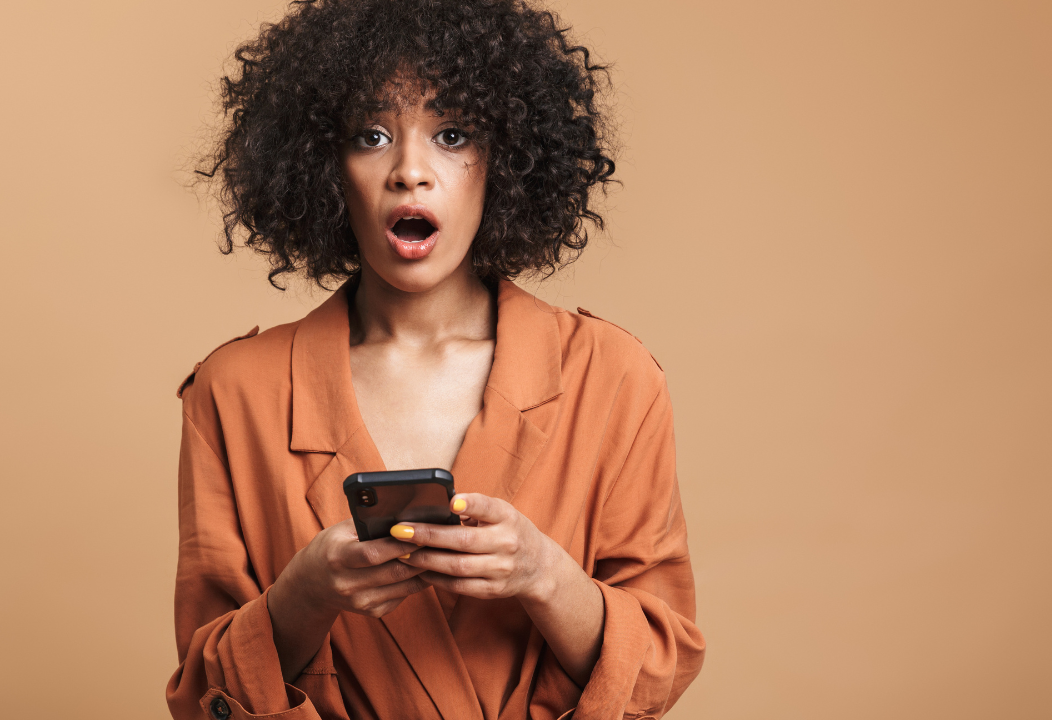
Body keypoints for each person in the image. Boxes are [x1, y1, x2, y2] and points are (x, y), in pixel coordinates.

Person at [167, 0, 705, 717]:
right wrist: (306, 594)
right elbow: (205, 695)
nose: (410, 171)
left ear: (508, 160)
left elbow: (658, 672)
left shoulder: (613, 377)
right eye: (371, 135)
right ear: (322, 166)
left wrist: (545, 575)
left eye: (452, 134)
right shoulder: (233, 393)